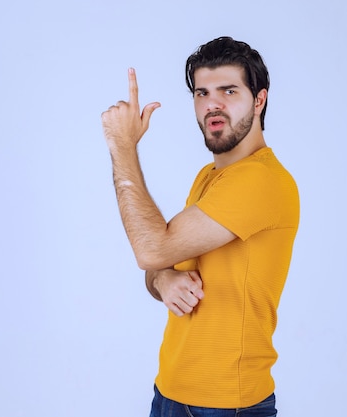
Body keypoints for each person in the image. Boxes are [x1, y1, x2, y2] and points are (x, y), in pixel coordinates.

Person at [101, 36, 299, 417]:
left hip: (226, 406)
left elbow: (151, 249)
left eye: (229, 90)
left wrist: (122, 147)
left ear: (259, 100)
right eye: (202, 92)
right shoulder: (209, 177)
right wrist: (163, 280)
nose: (213, 104)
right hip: (170, 393)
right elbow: (157, 263)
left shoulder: (261, 181)